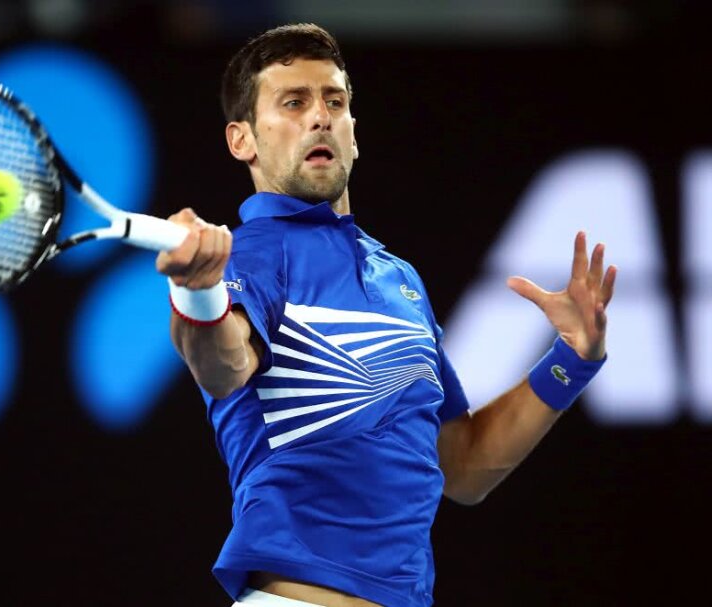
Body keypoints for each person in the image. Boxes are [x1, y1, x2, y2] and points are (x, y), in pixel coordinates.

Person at [155, 22, 617, 607]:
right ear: (242, 139)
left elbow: (464, 465)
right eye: (293, 103)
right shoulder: (253, 254)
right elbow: (224, 367)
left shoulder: (399, 279)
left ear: (353, 134)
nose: (319, 116)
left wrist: (571, 361)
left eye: (335, 102)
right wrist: (197, 293)